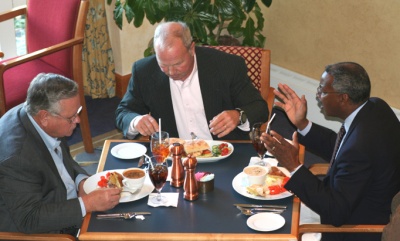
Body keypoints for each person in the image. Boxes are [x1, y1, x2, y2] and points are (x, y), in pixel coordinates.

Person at [261, 62, 400, 241]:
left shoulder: (359, 149)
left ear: (343, 98)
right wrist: (302, 124)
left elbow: (335, 213)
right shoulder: (375, 107)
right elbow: (343, 147)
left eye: (323, 91)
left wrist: (293, 165)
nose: (318, 95)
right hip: (355, 201)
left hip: (353, 229)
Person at [0, 73, 121, 236]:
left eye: (77, 112)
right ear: (44, 117)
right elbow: (30, 219)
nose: (77, 120)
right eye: (72, 117)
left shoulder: (40, 116)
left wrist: (81, 182)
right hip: (45, 230)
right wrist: (86, 204)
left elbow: (62, 161)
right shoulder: (17, 158)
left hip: (63, 199)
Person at [115, 21, 269, 140]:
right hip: (175, 156)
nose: (171, 72)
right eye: (164, 65)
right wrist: (136, 121)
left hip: (223, 150)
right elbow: (123, 113)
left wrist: (238, 115)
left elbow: (259, 108)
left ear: (192, 49)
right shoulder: (144, 71)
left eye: (178, 64)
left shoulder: (227, 66)